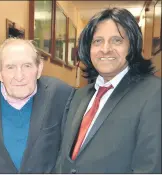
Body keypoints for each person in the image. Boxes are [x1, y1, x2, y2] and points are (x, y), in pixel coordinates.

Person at [55, 7, 161, 173]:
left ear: (132, 45)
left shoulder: (154, 93)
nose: (105, 49)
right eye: (97, 41)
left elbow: (150, 168)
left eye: (116, 41)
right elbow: (64, 160)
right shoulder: (79, 95)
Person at [0, 38, 75, 173]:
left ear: (39, 68)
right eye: (10, 67)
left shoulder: (62, 95)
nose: (19, 76)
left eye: (27, 66)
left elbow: (69, 157)